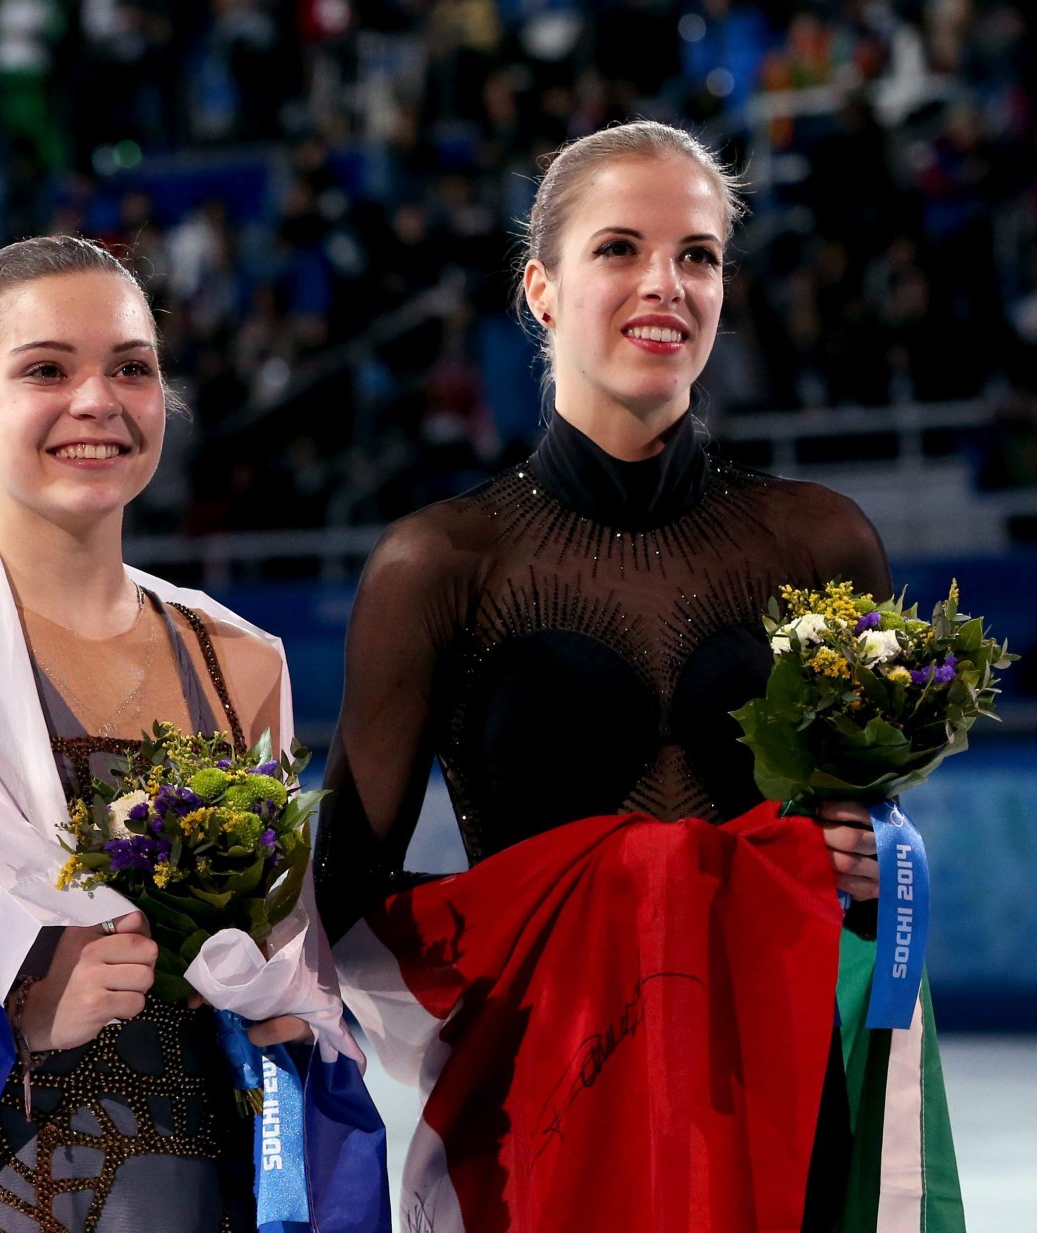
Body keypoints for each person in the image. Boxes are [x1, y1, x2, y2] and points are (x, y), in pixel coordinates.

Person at [315, 121, 963, 1231]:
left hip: (782, 1104)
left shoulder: (821, 543)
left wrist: (860, 851)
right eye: (620, 248)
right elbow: (346, 896)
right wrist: (596, 904)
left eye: (697, 255)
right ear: (542, 289)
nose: (666, 283)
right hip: (551, 1113)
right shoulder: (441, 565)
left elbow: (863, 839)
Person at [0, 236, 389, 1233]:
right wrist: (11, 1012)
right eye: (47, 370)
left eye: (131, 368)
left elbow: (292, 975)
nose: (97, 401)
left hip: (213, 1196)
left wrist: (273, 1006)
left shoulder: (240, 662)